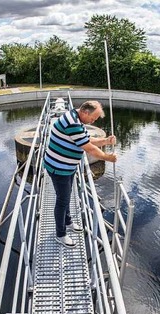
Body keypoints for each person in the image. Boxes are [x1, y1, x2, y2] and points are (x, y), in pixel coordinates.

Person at [44, 100, 117, 248]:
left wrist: (105, 141)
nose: (94, 121)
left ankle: (68, 221)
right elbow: (89, 148)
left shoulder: (76, 117)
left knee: (67, 195)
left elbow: (87, 139)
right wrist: (107, 157)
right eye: (93, 118)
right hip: (59, 168)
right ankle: (60, 234)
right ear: (85, 112)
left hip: (66, 166)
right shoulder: (73, 123)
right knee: (62, 200)